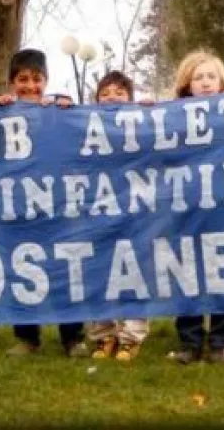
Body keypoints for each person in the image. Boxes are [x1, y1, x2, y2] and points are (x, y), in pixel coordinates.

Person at [0, 48, 88, 358]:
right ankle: (27, 338)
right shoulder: (2, 115)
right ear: (11, 83)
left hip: (58, 207)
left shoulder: (58, 111)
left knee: (65, 271)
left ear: (46, 82)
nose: (30, 87)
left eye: (37, 79)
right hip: (18, 209)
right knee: (22, 272)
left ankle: (73, 337)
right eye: (23, 80)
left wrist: (68, 109)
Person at [169, 49, 224, 364]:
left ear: (223, 83)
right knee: (188, 273)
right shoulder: (170, 118)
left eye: (212, 76)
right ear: (187, 85)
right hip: (186, 208)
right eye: (199, 77)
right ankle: (190, 342)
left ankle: (222, 340)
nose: (206, 83)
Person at [84, 71, 151, 361]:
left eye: (119, 93)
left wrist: (155, 113)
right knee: (100, 274)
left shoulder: (143, 126)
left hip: (135, 215)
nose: (112, 98)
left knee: (134, 275)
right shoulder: (85, 128)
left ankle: (131, 336)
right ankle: (103, 335)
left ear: (131, 99)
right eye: (105, 93)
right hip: (99, 216)